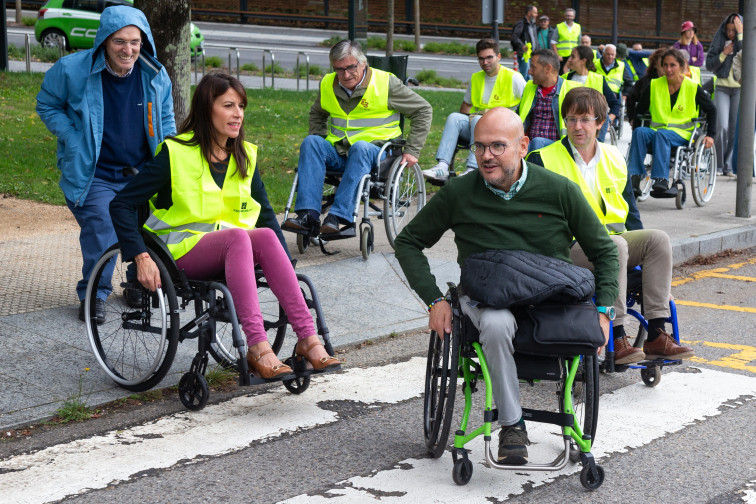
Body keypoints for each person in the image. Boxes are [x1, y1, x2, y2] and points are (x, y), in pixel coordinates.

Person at [394, 107, 619, 465]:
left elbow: (604, 250)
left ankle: (564, 418)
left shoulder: (559, 190)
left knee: (576, 331)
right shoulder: (459, 192)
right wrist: (434, 299)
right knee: (497, 323)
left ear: (523, 146)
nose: (486, 156)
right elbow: (407, 242)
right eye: (479, 147)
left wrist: (606, 310)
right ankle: (513, 426)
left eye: (498, 146)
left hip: (549, 298)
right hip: (486, 297)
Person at [110, 73, 340, 379]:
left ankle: (309, 340)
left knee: (266, 235)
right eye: (229, 105)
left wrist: (284, 264)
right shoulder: (175, 153)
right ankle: (258, 346)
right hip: (179, 252)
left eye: (241, 106)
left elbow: (265, 214)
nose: (238, 114)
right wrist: (140, 257)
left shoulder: (244, 155)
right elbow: (121, 204)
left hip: (232, 250)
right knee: (238, 238)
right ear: (207, 109)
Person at [527, 87, 694, 364]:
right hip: (567, 250)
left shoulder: (614, 157)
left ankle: (657, 334)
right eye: (570, 119)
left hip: (612, 244)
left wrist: (652, 270)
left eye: (585, 120)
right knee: (614, 246)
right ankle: (617, 335)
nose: (577, 127)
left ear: (601, 122)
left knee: (658, 239)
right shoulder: (543, 159)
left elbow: (630, 212)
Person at [36, 5, 175, 325]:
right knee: (104, 227)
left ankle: (136, 282)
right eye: (119, 42)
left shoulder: (155, 75)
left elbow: (166, 118)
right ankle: (94, 294)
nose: (128, 50)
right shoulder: (72, 70)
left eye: (135, 42)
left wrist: (168, 154)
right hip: (94, 172)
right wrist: (72, 138)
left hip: (140, 170)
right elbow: (46, 103)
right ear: (104, 41)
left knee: (152, 224)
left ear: (144, 42)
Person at [282, 40, 431, 236]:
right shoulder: (328, 83)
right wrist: (318, 143)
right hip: (339, 151)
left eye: (351, 67)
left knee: (360, 147)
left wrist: (412, 150)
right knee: (311, 143)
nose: (345, 75)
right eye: (339, 69)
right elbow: (317, 113)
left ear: (363, 63)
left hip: (377, 154)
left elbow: (423, 109)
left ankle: (339, 217)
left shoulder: (386, 83)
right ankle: (308, 216)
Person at [422, 38, 526, 182]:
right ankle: (442, 167)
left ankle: (472, 168)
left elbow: (529, 103)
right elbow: (466, 105)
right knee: (454, 117)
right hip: (479, 127)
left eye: (489, 57)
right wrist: (460, 127)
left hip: (503, 128)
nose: (485, 62)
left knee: (478, 119)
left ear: (499, 57)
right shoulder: (476, 78)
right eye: (481, 59)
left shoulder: (514, 78)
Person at [627, 48, 716, 197]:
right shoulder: (654, 85)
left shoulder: (692, 87)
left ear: (681, 67)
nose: (668, 69)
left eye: (673, 65)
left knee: (662, 134)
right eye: (665, 65)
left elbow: (712, 110)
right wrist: (637, 133)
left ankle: (661, 179)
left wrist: (711, 134)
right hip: (657, 132)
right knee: (640, 132)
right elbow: (639, 112)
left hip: (683, 133)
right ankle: (634, 178)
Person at [518, 49, 582, 153]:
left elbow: (598, 116)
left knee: (537, 143)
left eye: (533, 67)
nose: (529, 71)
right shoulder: (529, 87)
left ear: (548, 68)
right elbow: (519, 116)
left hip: (558, 148)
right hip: (527, 147)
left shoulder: (572, 90)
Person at [706, 13, 743, 176]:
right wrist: (724, 53)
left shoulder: (743, 42)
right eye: (728, 30)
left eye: (734, 30)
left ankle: (728, 166)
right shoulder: (720, 40)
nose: (730, 34)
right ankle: (718, 165)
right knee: (722, 126)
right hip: (721, 87)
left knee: (735, 129)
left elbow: (747, 57)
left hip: (739, 89)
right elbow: (709, 64)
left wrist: (741, 36)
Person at [561, 46, 620, 142]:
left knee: (602, 113)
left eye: (573, 56)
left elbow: (615, 104)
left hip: (593, 128)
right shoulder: (564, 78)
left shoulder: (599, 80)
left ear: (583, 61)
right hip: (569, 127)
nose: (569, 60)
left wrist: (608, 120)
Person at [625, 48, 665, 129]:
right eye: (663, 64)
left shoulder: (674, 83)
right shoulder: (644, 82)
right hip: (646, 123)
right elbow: (630, 98)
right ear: (655, 64)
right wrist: (632, 118)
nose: (666, 68)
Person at [511, 5, 540, 80]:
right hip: (524, 55)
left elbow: (535, 39)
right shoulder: (521, 23)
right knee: (525, 76)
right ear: (529, 13)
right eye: (535, 13)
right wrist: (522, 46)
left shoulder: (533, 25)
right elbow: (514, 37)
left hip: (532, 54)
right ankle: (523, 91)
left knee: (530, 75)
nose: (536, 15)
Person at [555, 8, 581, 73]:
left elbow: (579, 43)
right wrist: (557, 55)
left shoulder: (578, 27)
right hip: (562, 57)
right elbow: (553, 42)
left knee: (572, 74)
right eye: (567, 15)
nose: (569, 17)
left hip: (574, 56)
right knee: (562, 75)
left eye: (571, 16)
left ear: (574, 17)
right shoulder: (559, 26)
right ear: (564, 16)